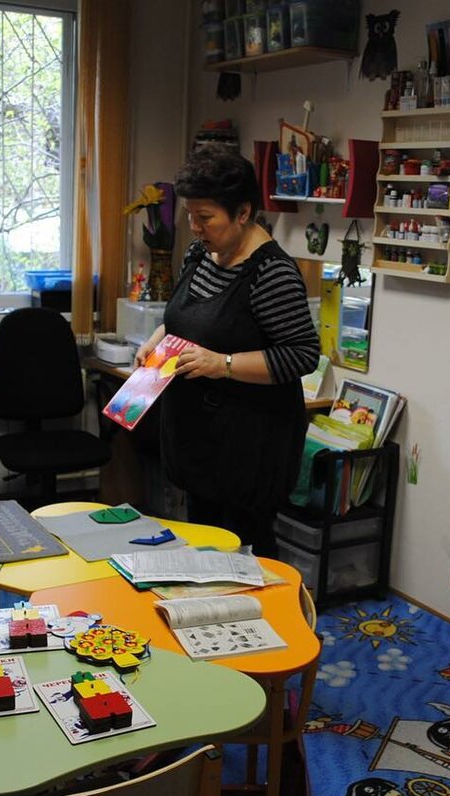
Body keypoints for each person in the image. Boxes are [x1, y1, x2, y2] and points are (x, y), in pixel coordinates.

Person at [134, 144, 320, 555]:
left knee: (244, 551)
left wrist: (225, 364)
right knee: (204, 545)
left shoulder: (271, 273)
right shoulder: (201, 253)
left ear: (243, 213)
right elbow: (188, 318)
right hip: (199, 439)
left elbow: (302, 353)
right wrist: (156, 339)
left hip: (247, 448)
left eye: (205, 218)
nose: (194, 227)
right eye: (189, 216)